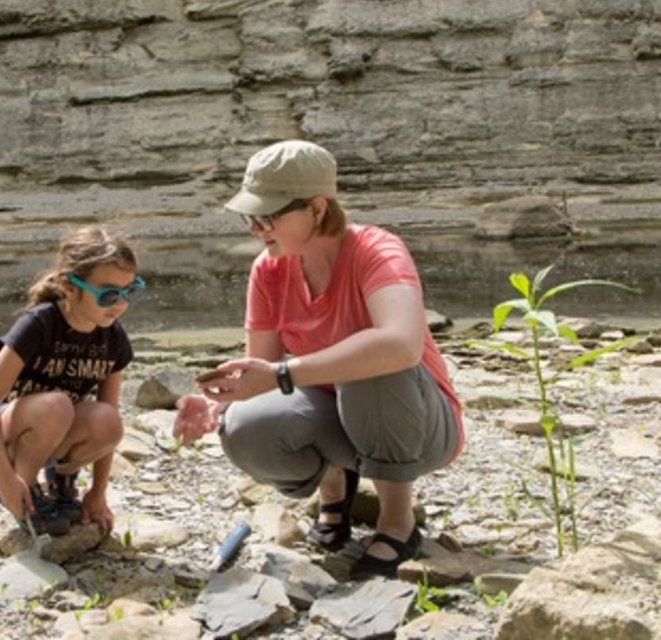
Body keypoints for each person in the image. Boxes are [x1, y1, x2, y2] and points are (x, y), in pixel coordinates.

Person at [173, 140, 464, 579]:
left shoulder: (376, 250)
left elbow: (401, 345)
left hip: (420, 424)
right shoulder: (269, 269)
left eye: (267, 217)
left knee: (370, 362)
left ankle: (397, 522)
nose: (256, 229)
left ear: (316, 208)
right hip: (340, 418)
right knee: (245, 424)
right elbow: (262, 367)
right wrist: (221, 401)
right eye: (250, 217)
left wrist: (283, 373)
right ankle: (335, 485)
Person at [0, 225, 144, 537]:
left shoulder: (112, 338)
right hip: (1, 435)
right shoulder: (40, 324)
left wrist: (98, 493)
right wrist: (6, 479)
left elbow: (109, 418)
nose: (120, 305)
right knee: (56, 405)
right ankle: (25, 493)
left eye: (129, 291)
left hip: (54, 433)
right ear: (69, 286)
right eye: (108, 295)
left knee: (108, 421)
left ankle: (62, 482)